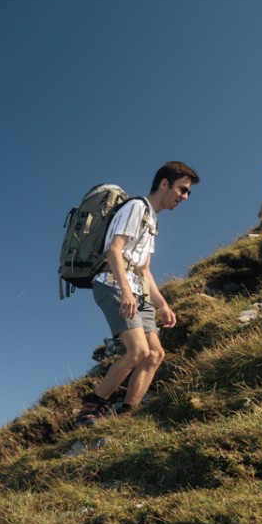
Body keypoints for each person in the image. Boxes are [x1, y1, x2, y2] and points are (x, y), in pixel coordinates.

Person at [76, 161, 199, 426]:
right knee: (137, 351)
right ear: (164, 184)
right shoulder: (137, 207)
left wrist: (163, 305)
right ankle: (91, 407)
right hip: (113, 284)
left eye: (188, 192)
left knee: (155, 354)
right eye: (182, 189)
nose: (185, 197)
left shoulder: (152, 220)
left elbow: (144, 269)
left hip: (137, 291)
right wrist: (126, 292)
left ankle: (126, 413)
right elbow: (115, 250)